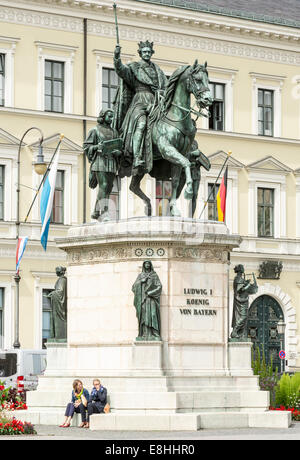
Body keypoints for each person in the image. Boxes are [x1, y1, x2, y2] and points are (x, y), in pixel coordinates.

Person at [114, 40, 168, 173]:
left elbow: (166, 87)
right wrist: (116, 57)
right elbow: (121, 70)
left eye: (149, 52)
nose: (147, 54)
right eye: (144, 52)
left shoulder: (158, 70)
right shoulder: (134, 67)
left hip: (156, 102)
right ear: (140, 53)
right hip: (140, 101)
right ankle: (137, 156)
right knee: (141, 124)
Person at [83, 108, 122, 221]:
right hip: (100, 161)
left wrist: (119, 152)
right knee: (104, 185)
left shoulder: (114, 132)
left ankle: (96, 211)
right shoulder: (95, 130)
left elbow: (118, 147)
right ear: (103, 116)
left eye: (112, 116)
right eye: (109, 116)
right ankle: (104, 212)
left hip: (112, 161)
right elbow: (86, 147)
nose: (111, 119)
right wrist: (96, 147)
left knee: (109, 188)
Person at [132, 260, 162, 341]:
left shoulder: (154, 275)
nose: (147, 265)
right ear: (143, 265)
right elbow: (134, 287)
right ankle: (144, 334)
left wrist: (151, 292)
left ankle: (155, 333)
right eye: (146, 263)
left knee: (153, 315)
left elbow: (159, 286)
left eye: (148, 263)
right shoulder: (140, 276)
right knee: (144, 316)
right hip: (143, 300)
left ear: (150, 265)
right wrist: (141, 282)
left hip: (151, 299)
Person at [230, 265, 258, 341]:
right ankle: (235, 331)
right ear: (240, 270)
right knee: (243, 317)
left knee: (244, 318)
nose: (243, 269)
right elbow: (240, 290)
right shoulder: (238, 279)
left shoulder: (241, 279)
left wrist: (248, 283)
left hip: (244, 300)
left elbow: (248, 289)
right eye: (242, 268)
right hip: (240, 301)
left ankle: (240, 333)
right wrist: (248, 284)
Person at [47, 266, 67, 340]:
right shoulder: (60, 280)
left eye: (56, 270)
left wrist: (53, 293)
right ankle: (56, 336)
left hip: (60, 306)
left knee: (58, 321)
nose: (55, 272)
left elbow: (60, 291)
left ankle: (60, 336)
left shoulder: (62, 280)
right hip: (57, 304)